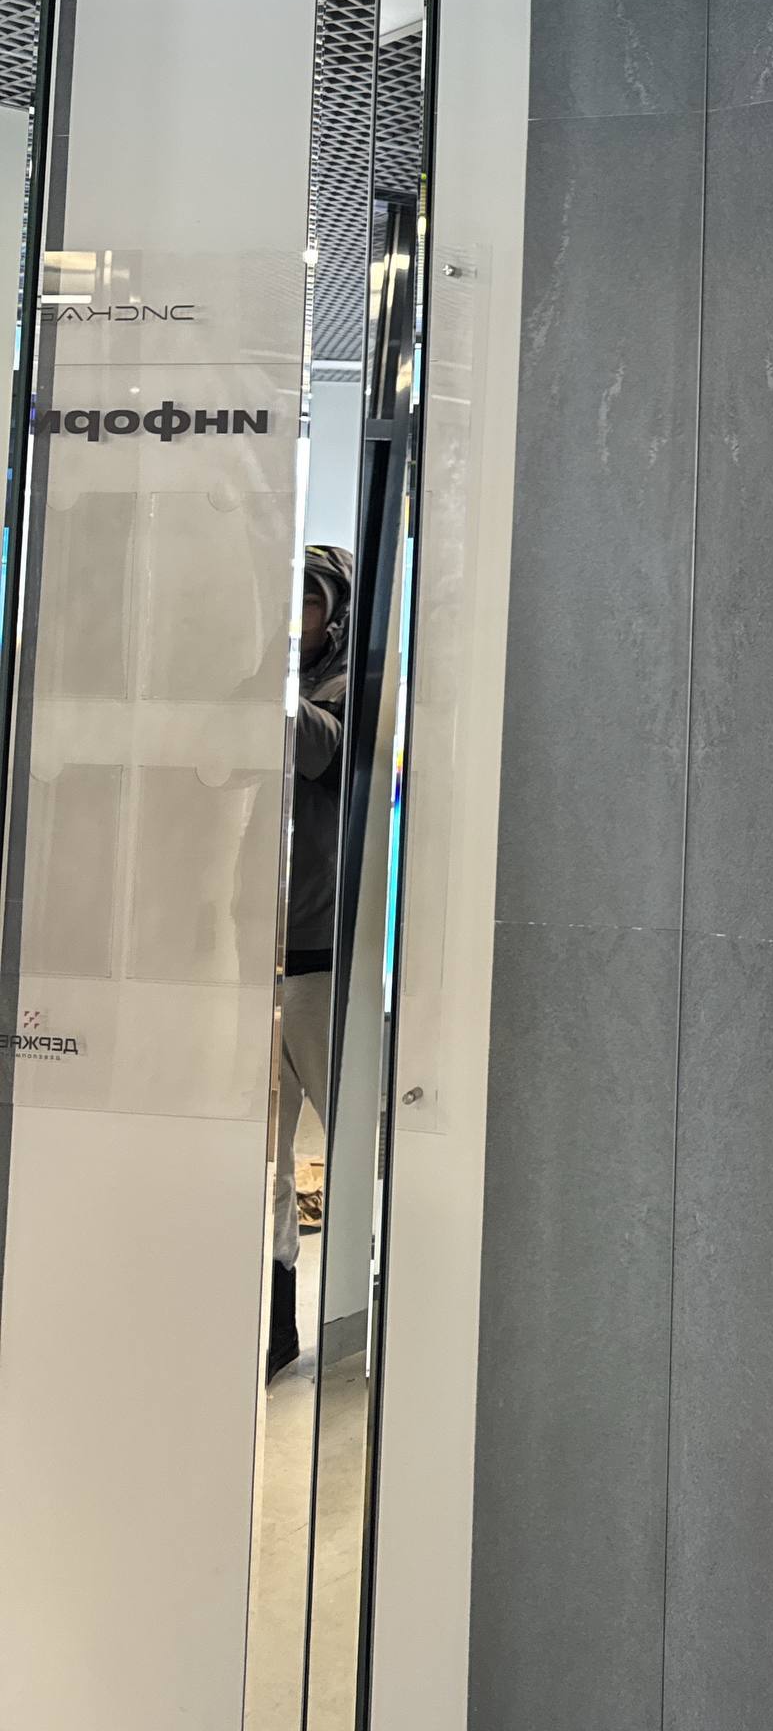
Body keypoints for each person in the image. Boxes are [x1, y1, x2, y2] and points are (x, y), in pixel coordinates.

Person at [267, 545, 353, 1383]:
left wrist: (268, 677)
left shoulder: (351, 687)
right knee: (266, 1156)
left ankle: (371, 1308)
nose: (299, 617)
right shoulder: (278, 680)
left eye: (312, 603)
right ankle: (276, 1323)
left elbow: (325, 748)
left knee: (349, 1137)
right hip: (257, 949)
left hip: (323, 959)